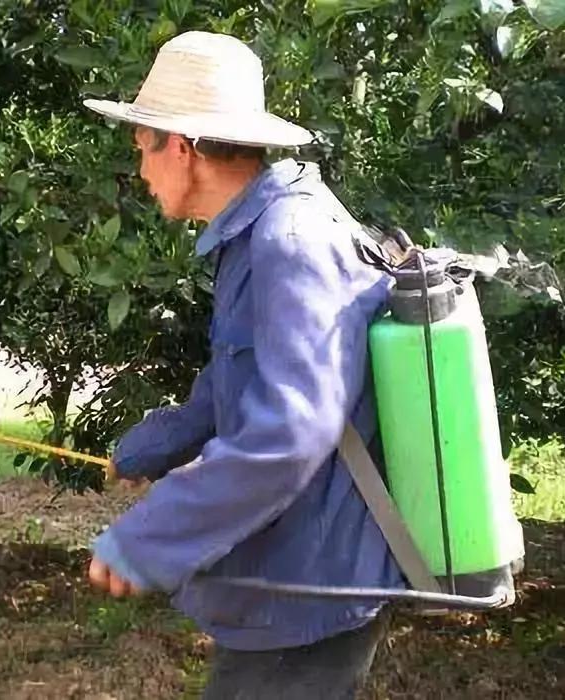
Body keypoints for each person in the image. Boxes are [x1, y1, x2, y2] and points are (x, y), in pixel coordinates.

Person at [82, 31, 404, 699]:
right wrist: (162, 441)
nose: (139, 170)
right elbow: (249, 373)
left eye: (141, 146)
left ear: (182, 146)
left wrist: (151, 534)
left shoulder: (289, 238)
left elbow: (291, 432)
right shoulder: (259, 231)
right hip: (297, 578)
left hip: (310, 592)